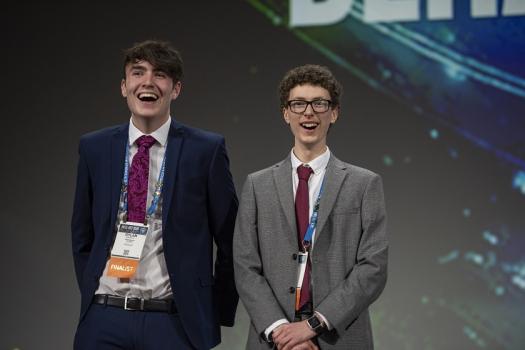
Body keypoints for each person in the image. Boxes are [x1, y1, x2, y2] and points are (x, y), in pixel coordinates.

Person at [71, 40, 238, 350]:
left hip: (174, 322)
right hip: (105, 318)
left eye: (160, 75)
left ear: (175, 89)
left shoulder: (206, 150)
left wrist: (214, 310)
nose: (147, 82)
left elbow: (231, 240)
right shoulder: (95, 147)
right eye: (138, 73)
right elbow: (82, 235)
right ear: (124, 86)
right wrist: (93, 298)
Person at [234, 64, 388, 350]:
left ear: (334, 113)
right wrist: (282, 331)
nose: (309, 112)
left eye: (319, 103)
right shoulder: (257, 185)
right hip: (274, 341)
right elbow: (245, 267)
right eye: (298, 104)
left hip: (338, 338)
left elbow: (373, 268)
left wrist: (312, 326)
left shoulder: (364, 184)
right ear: (285, 113)